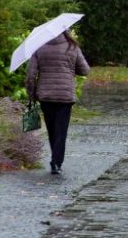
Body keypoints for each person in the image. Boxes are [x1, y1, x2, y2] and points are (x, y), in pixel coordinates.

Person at [26, 30, 90, 175]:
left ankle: (55, 159)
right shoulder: (72, 47)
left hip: (46, 96)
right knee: (61, 131)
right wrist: (70, 68)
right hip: (65, 96)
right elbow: (85, 70)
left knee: (52, 130)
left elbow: (30, 75)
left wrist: (32, 94)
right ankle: (56, 162)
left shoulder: (39, 47)